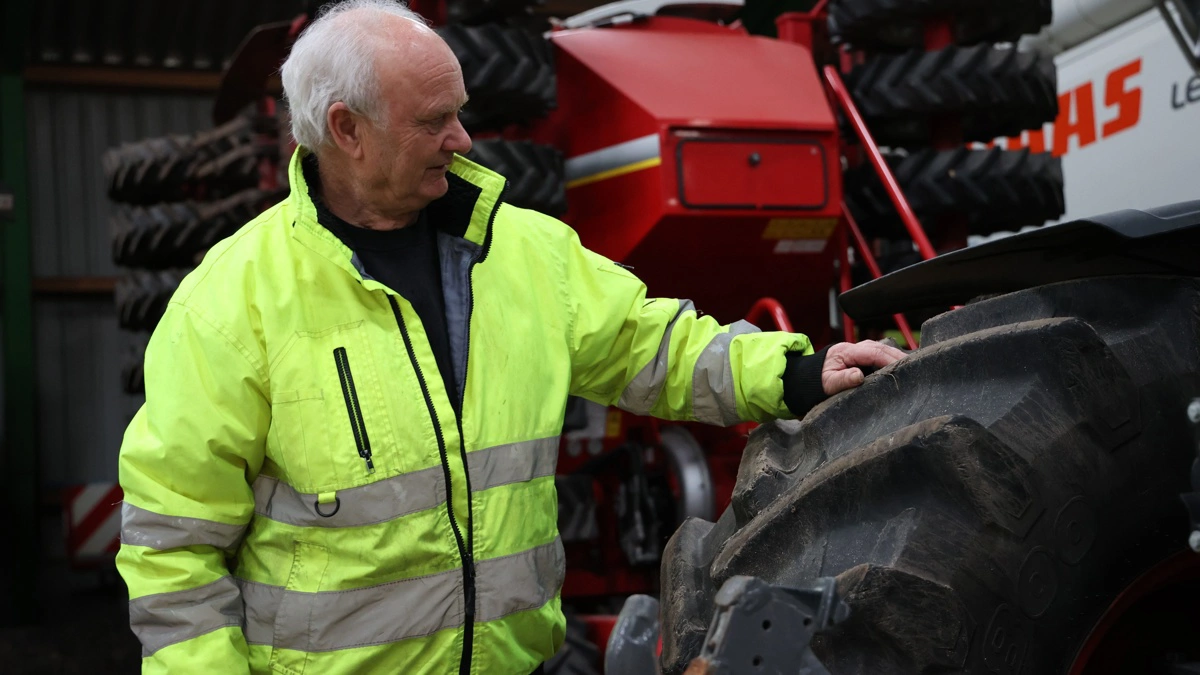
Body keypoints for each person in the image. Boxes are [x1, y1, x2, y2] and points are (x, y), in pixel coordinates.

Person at [115, 1, 906, 673]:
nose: (463, 139)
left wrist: (797, 371)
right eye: (435, 121)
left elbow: (647, 344)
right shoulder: (231, 301)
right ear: (346, 130)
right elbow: (173, 549)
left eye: (460, 111)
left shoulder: (522, 249)